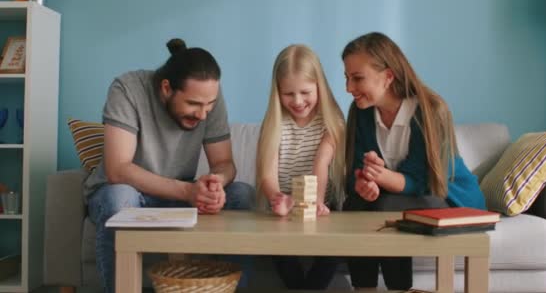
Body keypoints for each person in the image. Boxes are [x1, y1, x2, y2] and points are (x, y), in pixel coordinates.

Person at [84, 38, 255, 293]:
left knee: (241, 194)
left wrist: (215, 183)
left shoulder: (208, 99)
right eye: (194, 105)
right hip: (130, 192)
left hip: (179, 194)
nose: (203, 114)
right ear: (166, 88)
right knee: (118, 197)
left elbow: (224, 163)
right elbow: (118, 169)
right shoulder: (128, 89)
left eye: (209, 105)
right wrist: (188, 191)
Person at [341, 32, 486, 290]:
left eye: (357, 78)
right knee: (355, 205)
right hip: (397, 198)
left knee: (389, 205)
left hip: (449, 199)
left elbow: (422, 182)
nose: (348, 88)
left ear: (387, 77)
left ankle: (400, 288)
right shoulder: (360, 113)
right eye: (347, 78)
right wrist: (365, 185)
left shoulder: (431, 110)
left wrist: (379, 178)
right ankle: (364, 288)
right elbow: (355, 173)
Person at [255, 44, 345, 289]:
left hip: (323, 203)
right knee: (276, 238)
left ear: (319, 87)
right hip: (286, 202)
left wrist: (315, 201)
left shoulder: (332, 121)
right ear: (277, 92)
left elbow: (321, 162)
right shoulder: (275, 124)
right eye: (288, 94)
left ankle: (311, 288)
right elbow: (267, 175)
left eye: (305, 92)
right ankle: (297, 287)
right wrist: (278, 199)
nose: (297, 101)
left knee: (336, 239)